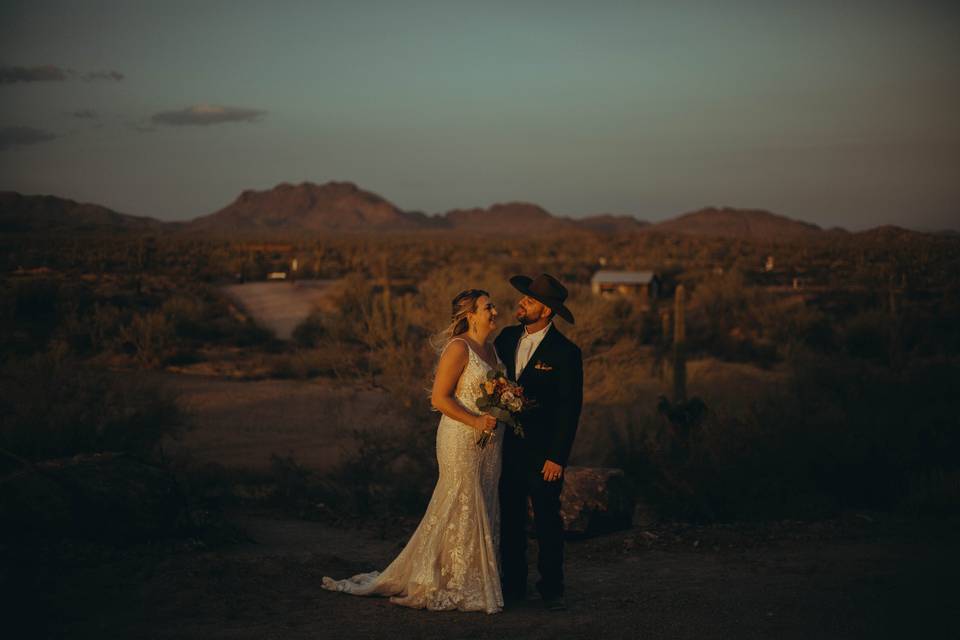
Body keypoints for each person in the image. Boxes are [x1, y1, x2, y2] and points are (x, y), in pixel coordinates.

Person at [322, 289, 505, 614]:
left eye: (492, 305)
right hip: (461, 436)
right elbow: (439, 399)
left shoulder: (491, 349)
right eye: (488, 306)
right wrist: (476, 421)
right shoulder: (458, 348)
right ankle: (445, 581)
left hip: (489, 443)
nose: (495, 310)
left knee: (483, 500)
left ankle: (470, 577)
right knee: (459, 501)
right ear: (470, 315)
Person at [494, 273, 583, 611]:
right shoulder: (505, 338)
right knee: (511, 518)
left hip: (543, 453)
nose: (521, 303)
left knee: (546, 519)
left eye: (529, 300)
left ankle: (551, 587)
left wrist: (557, 457)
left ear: (546, 311)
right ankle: (513, 585)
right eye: (524, 298)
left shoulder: (565, 353)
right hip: (506, 449)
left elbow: (569, 408)